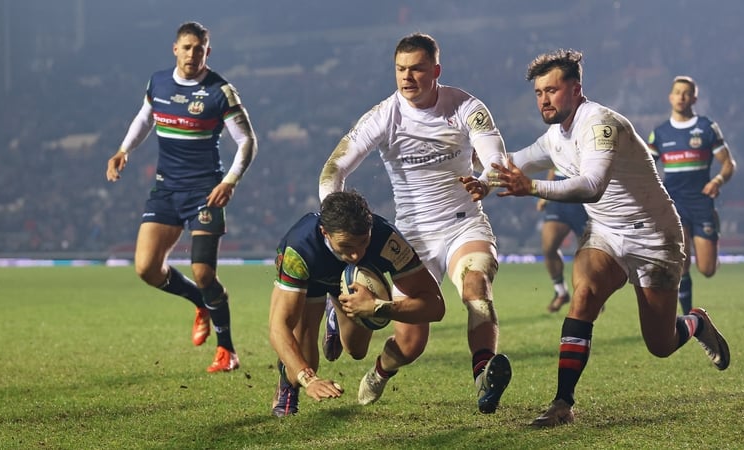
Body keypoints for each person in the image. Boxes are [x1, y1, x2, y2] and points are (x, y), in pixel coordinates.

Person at [478, 49, 730, 426]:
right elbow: (512, 161)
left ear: (576, 89)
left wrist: (530, 186)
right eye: (538, 92)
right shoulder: (554, 136)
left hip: (654, 239)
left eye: (552, 90)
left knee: (660, 345)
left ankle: (695, 322)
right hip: (606, 235)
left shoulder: (600, 125)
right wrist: (481, 182)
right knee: (584, 296)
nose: (544, 99)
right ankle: (562, 404)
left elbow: (592, 186)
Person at [319, 32, 512, 414]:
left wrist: (486, 181)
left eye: (417, 69)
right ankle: (379, 371)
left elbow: (495, 157)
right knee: (410, 343)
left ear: (436, 70)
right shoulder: (384, 115)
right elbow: (334, 167)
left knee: (476, 286)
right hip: (411, 238)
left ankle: (483, 375)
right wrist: (333, 214)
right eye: (400, 69)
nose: (407, 77)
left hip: (463, 225)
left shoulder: (466, 107)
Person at [105, 21, 257, 372]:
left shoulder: (221, 92)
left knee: (204, 272)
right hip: (166, 190)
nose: (192, 54)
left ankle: (227, 351)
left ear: (208, 51)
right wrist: (123, 150)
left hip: (205, 193)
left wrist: (231, 181)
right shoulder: (158, 82)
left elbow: (247, 141)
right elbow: (145, 118)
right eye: (186, 47)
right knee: (145, 268)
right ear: (175, 49)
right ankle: (199, 302)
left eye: (199, 48)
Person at [268, 190, 445, 417]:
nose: (356, 254)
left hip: (355, 287)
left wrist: (379, 307)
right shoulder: (299, 248)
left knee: (357, 350)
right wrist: (307, 378)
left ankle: (335, 312)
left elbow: (436, 306)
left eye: (363, 242)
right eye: (347, 246)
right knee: (306, 359)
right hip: (310, 283)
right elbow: (278, 326)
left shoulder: (386, 238)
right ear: (325, 233)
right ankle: (286, 386)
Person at [647, 76, 737, 315]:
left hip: (701, 202)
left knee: (707, 269)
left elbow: (728, 164)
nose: (681, 97)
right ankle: (687, 316)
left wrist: (717, 180)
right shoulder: (660, 133)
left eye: (686, 93)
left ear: (694, 98)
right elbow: (645, 166)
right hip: (674, 204)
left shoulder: (707, 128)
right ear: (670, 97)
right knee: (681, 263)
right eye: (677, 92)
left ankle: (711, 237)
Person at [536, 168, 589, 313]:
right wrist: (544, 195)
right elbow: (554, 163)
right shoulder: (560, 144)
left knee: (588, 253)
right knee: (548, 248)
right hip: (559, 195)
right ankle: (561, 292)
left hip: (583, 196)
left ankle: (590, 293)